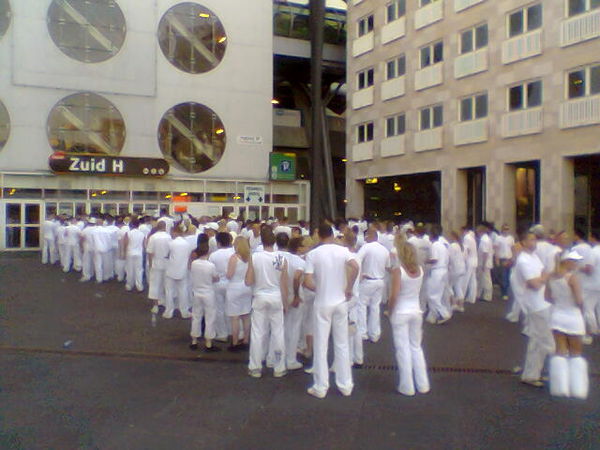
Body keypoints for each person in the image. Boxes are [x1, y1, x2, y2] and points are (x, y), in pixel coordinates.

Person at [303, 224, 359, 399]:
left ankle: (321, 385)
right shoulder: (343, 251)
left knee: (321, 344)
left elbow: (307, 281)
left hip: (323, 302)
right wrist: (348, 287)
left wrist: (319, 288)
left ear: (319, 234)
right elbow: (355, 267)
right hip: (340, 301)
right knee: (341, 343)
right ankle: (345, 384)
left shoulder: (313, 254)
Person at [388, 236, 430, 396]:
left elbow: (394, 295)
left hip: (401, 312)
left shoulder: (398, 271)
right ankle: (423, 384)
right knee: (416, 347)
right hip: (416, 311)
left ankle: (407, 386)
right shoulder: (420, 270)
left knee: (402, 349)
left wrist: (390, 311)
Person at [245, 227, 289, 378]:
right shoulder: (282, 259)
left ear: (262, 241)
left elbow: (248, 280)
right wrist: (285, 303)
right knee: (278, 332)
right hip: (276, 296)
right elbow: (284, 284)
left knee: (258, 333)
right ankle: (279, 366)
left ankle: (255, 366)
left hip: (260, 296)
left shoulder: (255, 257)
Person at [546, 251, 588, 399]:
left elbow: (547, 297)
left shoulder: (551, 276)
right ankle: (577, 388)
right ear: (567, 261)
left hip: (557, 315)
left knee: (560, 352)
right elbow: (579, 300)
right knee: (576, 353)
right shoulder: (572, 278)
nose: (576, 264)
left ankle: (559, 387)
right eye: (574, 261)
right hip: (573, 317)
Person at [514, 230, 554, 387]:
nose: (534, 242)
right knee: (545, 341)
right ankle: (537, 372)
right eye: (530, 240)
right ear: (523, 242)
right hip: (536, 305)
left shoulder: (534, 257)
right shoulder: (524, 261)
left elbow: (543, 274)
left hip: (542, 302)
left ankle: (532, 373)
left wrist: (542, 277)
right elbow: (535, 284)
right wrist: (544, 277)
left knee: (537, 341)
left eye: (535, 239)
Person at [357, 228, 391, 342]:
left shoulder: (366, 247)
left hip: (368, 280)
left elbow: (357, 260)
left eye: (366, 236)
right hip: (380, 280)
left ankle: (362, 332)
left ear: (370, 236)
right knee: (375, 307)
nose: (365, 238)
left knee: (361, 306)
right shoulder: (384, 250)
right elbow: (388, 266)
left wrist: (361, 274)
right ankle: (375, 333)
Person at [190, 241, 220, 352]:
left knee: (196, 316)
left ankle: (194, 340)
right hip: (208, 293)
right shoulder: (210, 265)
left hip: (196, 292)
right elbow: (216, 278)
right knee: (209, 317)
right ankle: (208, 342)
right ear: (208, 252)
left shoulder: (194, 263)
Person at [225, 236, 252, 350]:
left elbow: (230, 275)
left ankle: (235, 342)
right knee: (246, 315)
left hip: (234, 287)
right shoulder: (249, 257)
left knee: (235, 317)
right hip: (246, 287)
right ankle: (246, 339)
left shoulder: (234, 258)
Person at [209, 232, 236, 342]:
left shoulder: (214, 255)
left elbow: (211, 271)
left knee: (219, 309)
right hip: (232, 282)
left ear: (218, 242)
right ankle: (232, 331)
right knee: (232, 308)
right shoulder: (234, 253)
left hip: (218, 283)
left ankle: (222, 333)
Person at [163, 223, 193, 319]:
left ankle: (169, 311)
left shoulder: (171, 243)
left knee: (169, 291)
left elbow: (166, 255)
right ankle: (184, 311)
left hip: (171, 269)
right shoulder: (187, 244)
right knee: (183, 290)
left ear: (175, 232)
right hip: (183, 270)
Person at [425, 225, 451, 324]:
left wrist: (425, 261)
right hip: (444, 270)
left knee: (431, 295)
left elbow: (434, 259)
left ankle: (443, 313)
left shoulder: (435, 245)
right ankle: (433, 316)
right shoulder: (442, 245)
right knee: (438, 294)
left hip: (437, 271)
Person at [146, 221, 171, 314]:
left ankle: (155, 305)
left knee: (155, 285)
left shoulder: (153, 237)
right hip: (167, 264)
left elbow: (150, 252)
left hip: (156, 263)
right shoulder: (169, 237)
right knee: (166, 285)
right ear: (165, 227)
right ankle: (166, 303)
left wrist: (150, 264)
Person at [123, 219, 145, 292]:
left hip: (130, 252)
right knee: (139, 270)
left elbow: (125, 244)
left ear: (131, 225)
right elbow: (144, 245)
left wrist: (124, 252)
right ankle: (139, 286)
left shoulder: (128, 233)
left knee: (130, 269)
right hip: (139, 253)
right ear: (139, 225)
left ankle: (129, 285)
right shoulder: (142, 234)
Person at [495, 224, 515, 301]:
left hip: (509, 258)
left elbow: (513, 248)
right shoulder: (498, 238)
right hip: (502, 258)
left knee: (509, 276)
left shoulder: (511, 238)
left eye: (507, 229)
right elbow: (496, 249)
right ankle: (504, 293)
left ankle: (507, 292)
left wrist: (513, 257)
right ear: (502, 229)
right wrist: (496, 259)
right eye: (505, 229)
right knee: (503, 276)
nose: (506, 230)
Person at [448, 230, 466, 313]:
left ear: (453, 237)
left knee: (449, 286)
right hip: (461, 268)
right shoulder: (459, 245)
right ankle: (461, 306)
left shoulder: (452, 246)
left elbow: (450, 257)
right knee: (458, 287)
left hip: (455, 269)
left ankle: (453, 304)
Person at [476, 224, 493, 302]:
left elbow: (485, 253)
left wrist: (483, 264)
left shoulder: (484, 240)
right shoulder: (486, 239)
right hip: (484, 262)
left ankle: (487, 296)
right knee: (482, 279)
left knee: (486, 279)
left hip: (484, 263)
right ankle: (479, 294)